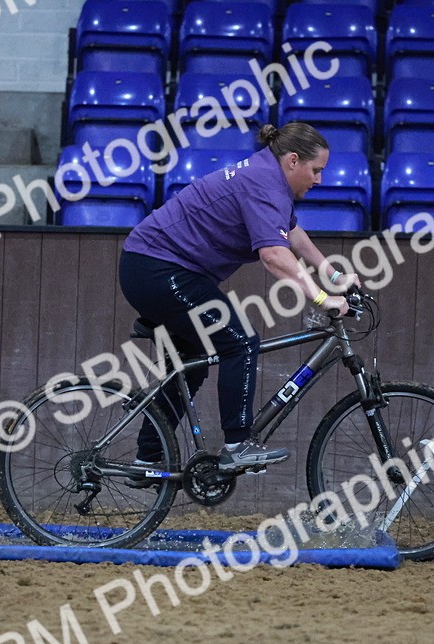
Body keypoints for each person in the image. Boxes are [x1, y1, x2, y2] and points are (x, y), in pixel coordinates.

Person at [119, 121, 359, 474]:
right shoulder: (264, 182)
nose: (319, 179)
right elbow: (274, 255)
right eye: (316, 170)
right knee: (240, 341)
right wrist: (322, 299)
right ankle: (237, 445)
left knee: (193, 363)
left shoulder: (268, 177)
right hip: (157, 269)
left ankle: (148, 459)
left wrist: (333, 273)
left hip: (159, 268)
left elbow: (291, 232)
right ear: (293, 161)